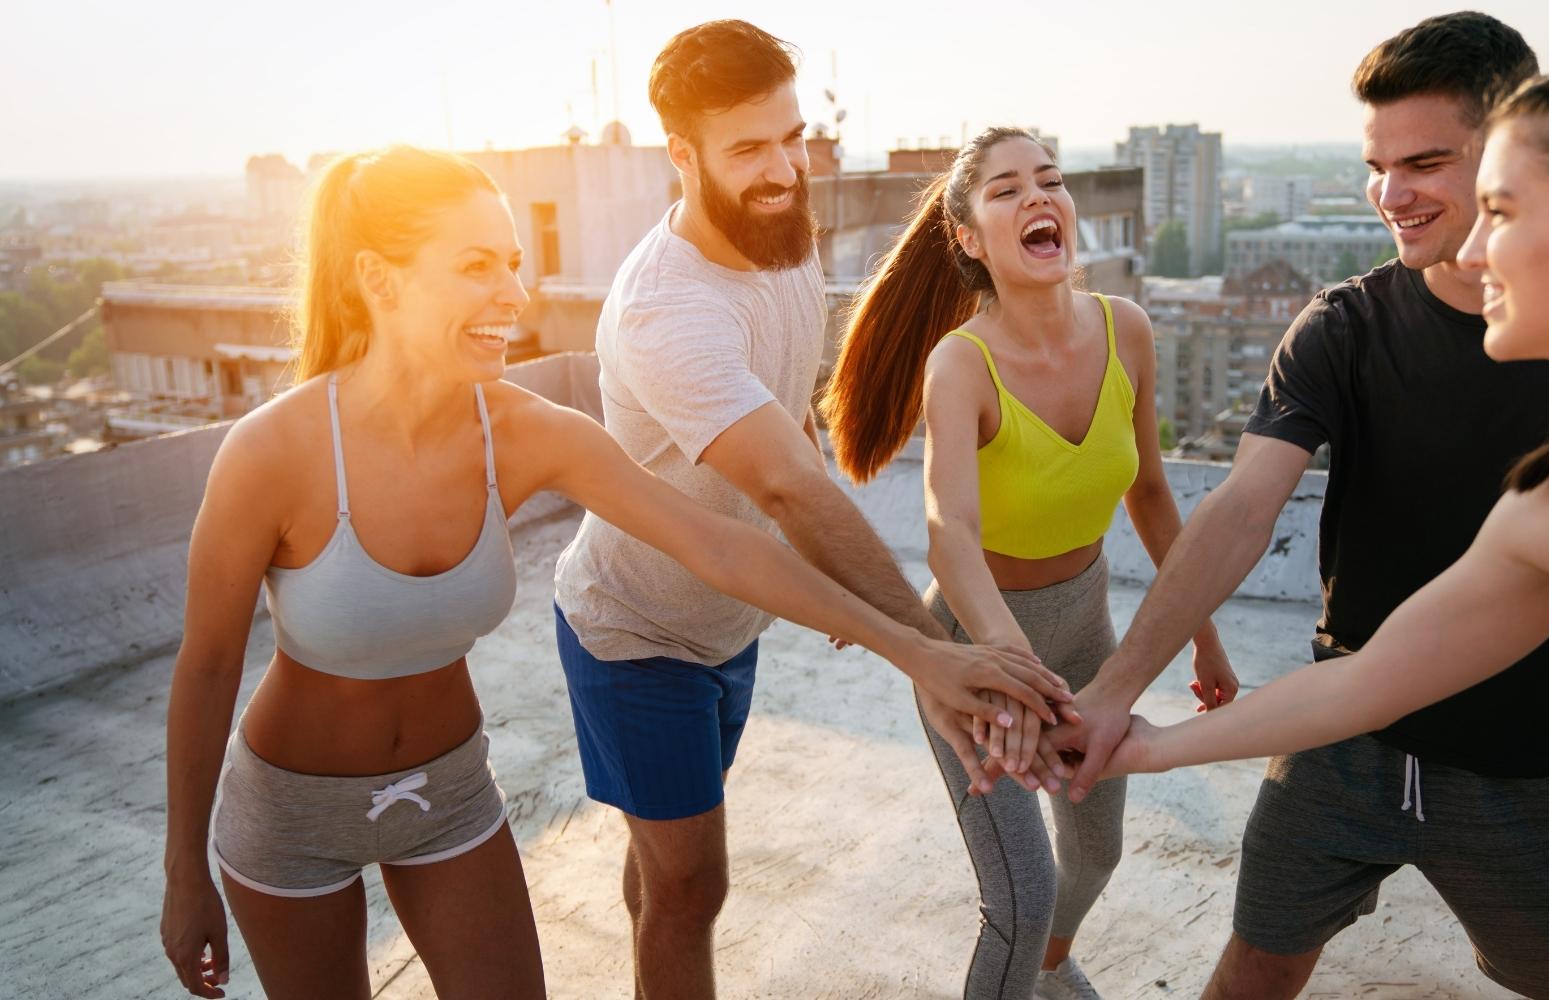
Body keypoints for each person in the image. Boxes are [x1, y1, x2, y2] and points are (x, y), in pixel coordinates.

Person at [158, 145, 1066, 1000]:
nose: (514, 293)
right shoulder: (271, 454)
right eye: (475, 266)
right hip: (290, 815)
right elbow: (207, 667)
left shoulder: (526, 433)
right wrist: (183, 871)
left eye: (514, 263)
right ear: (378, 279)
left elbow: (720, 545)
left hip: (451, 797)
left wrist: (919, 653)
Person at [1097, 53, 1549, 999]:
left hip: (1545, 771)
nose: (1468, 253)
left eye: (1499, 212)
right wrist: (1135, 740)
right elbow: (1371, 680)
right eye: (1377, 167)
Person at [548, 21, 1071, 1000]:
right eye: (748, 147)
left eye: (791, 137)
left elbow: (784, 424)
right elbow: (789, 485)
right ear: (682, 154)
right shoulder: (669, 311)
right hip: (638, 634)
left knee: (664, 864)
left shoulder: (778, 229)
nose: (784, 168)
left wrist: (836, 573)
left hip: (728, 624)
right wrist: (927, 652)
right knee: (693, 887)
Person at [821, 126, 1237, 1000]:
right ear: (969, 238)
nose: (1038, 196)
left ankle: (1047, 973)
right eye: (1006, 189)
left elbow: (1151, 493)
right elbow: (949, 532)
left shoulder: (1127, 330)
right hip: (977, 652)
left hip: (1086, 629)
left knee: (1097, 852)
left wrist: (1203, 635)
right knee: (1021, 896)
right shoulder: (960, 363)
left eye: (1050, 179)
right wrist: (1009, 666)